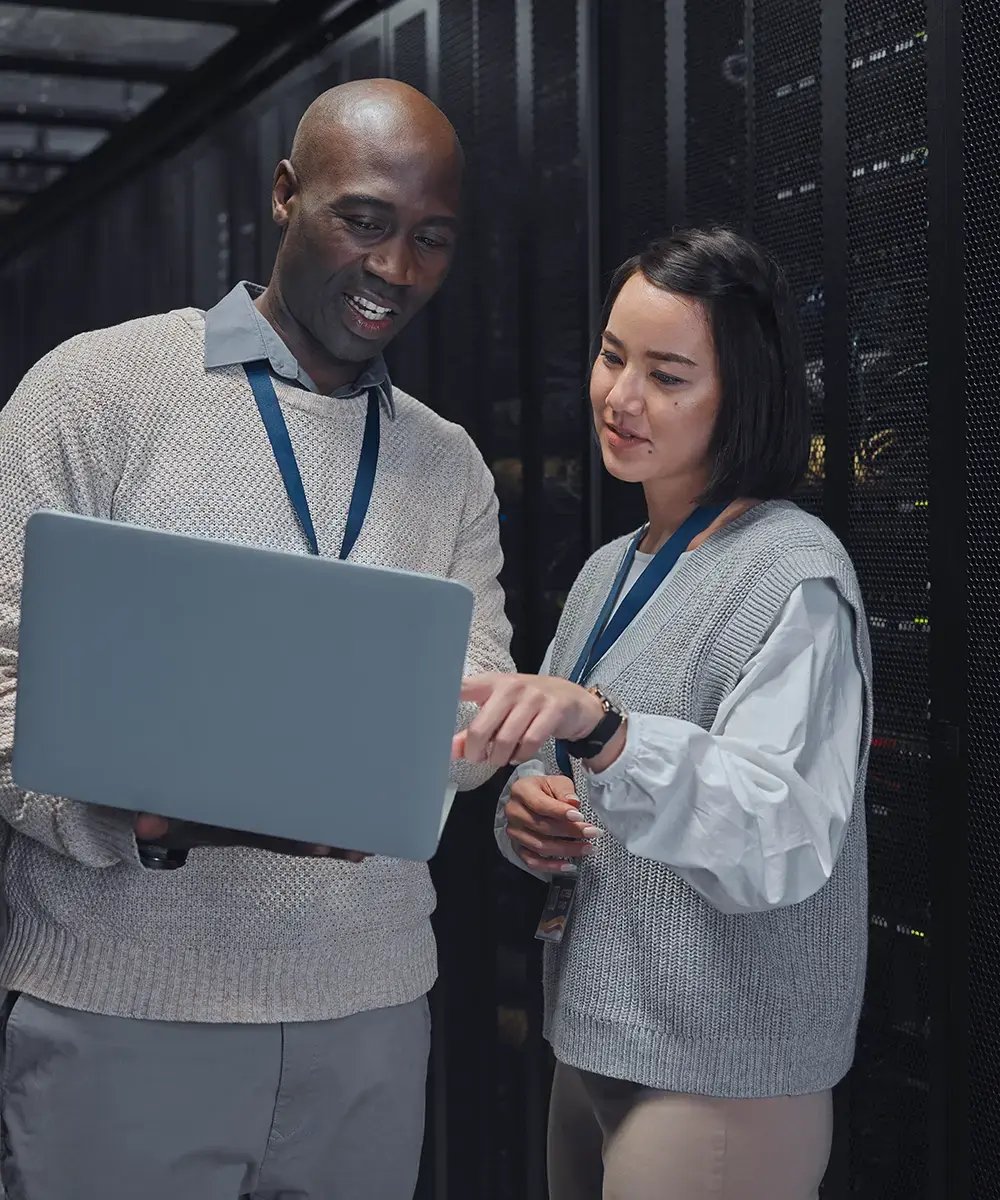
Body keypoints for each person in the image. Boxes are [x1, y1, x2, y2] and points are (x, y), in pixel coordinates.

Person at [0, 80, 512, 1200]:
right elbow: (1, 686)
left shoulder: (449, 462)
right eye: (365, 221)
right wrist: (151, 818)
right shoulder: (95, 391)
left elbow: (473, 717)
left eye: (431, 240)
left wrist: (495, 732)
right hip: (124, 1013)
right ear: (285, 195)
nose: (396, 270)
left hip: (368, 1015)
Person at [458, 226, 871, 1200]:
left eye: (668, 375)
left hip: (722, 1072)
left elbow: (780, 836)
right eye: (611, 357)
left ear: (743, 394)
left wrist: (606, 730)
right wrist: (527, 818)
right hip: (595, 1032)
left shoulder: (791, 571)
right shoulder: (613, 566)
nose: (620, 397)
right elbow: (549, 762)